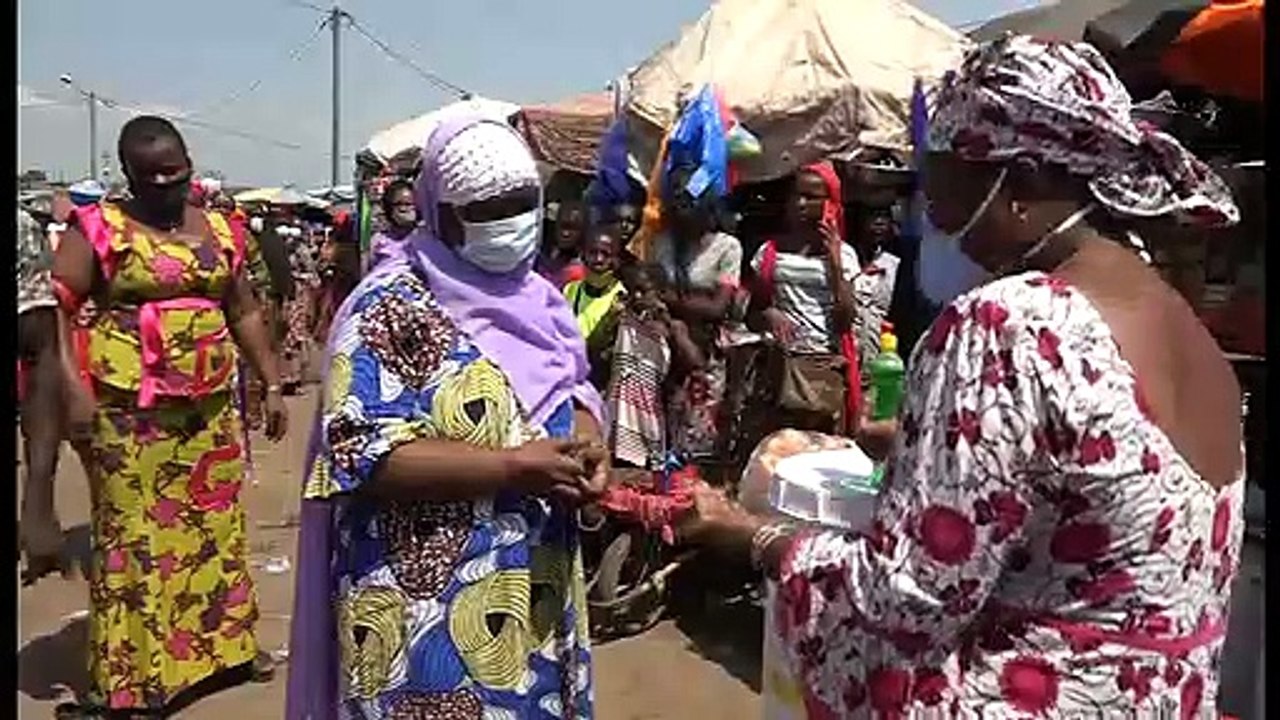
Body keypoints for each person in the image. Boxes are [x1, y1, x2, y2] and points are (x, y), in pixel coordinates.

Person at [676, 36, 1245, 717]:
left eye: (939, 179)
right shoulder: (1187, 327)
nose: (933, 214)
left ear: (1022, 181)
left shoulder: (1007, 324)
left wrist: (751, 535)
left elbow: (906, 596)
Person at [286, 113, 608, 719]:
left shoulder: (538, 299)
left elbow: (575, 387)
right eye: (488, 210)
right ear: (444, 213)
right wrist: (513, 467)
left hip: (531, 598)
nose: (512, 222)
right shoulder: (389, 307)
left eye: (523, 203)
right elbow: (360, 452)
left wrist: (587, 443)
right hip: (421, 614)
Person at [48, 116, 289, 718]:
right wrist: (74, 390)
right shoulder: (99, 228)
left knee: (215, 534)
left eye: (175, 172)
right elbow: (58, 310)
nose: (165, 185)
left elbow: (244, 311)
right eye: (150, 177)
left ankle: (224, 652)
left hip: (207, 415)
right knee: (134, 541)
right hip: (126, 415)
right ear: (128, 175)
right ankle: (130, 684)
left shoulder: (219, 229)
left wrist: (272, 382)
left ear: (190, 164)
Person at [745, 161, 861, 433]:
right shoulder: (770, 252)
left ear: (829, 203)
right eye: (796, 195)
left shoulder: (845, 256)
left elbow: (845, 321)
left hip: (823, 364)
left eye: (811, 197)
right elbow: (751, 315)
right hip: (781, 364)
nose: (800, 203)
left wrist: (834, 265)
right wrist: (769, 314)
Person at [645, 164, 743, 462]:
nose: (685, 209)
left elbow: (718, 307)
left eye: (692, 201)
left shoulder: (726, 248)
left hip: (705, 350)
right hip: (665, 348)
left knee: (699, 435)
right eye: (679, 201)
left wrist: (668, 299)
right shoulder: (662, 244)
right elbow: (650, 291)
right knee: (662, 432)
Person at [17, 207, 66, 584]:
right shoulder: (24, 220)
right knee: (42, 437)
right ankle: (40, 537)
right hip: (35, 316)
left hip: (35, 315)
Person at [564, 224, 626, 388]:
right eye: (593, 253)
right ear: (582, 254)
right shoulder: (571, 290)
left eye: (606, 254)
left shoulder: (621, 299)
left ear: (617, 259)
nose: (599, 260)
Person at [848, 197, 903, 371]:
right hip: (848, 354)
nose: (879, 223)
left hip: (883, 358)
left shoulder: (895, 265)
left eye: (884, 217)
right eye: (872, 217)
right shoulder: (845, 259)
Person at [367, 178, 418, 269]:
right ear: (389, 207)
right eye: (398, 204)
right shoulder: (378, 241)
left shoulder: (426, 239)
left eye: (409, 204)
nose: (403, 209)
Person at [536, 198, 588, 288]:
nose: (565, 233)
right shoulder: (539, 255)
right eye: (563, 226)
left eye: (573, 229)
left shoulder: (580, 271)